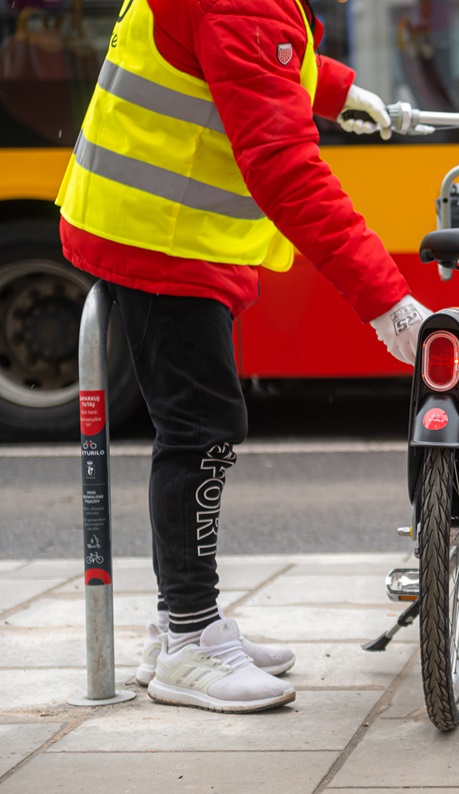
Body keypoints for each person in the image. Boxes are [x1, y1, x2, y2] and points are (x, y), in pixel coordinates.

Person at [55, 0, 430, 713]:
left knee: (198, 427)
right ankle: (190, 643)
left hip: (154, 223)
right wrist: (388, 303)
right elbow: (286, 166)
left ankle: (176, 621)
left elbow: (241, 60)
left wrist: (335, 88)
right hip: (160, 235)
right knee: (200, 430)